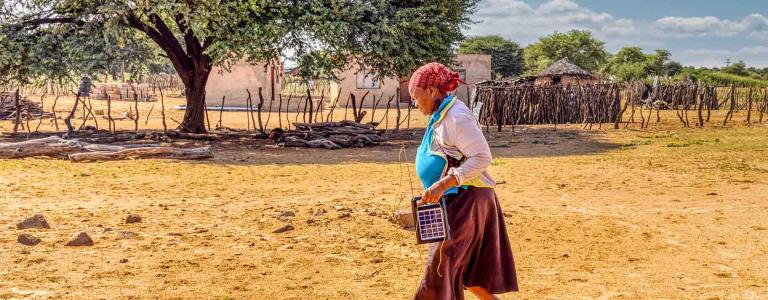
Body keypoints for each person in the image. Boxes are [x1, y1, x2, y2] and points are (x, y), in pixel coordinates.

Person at [409, 62, 518, 300]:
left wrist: (443, 184)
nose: (415, 104)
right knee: (468, 274)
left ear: (432, 90)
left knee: (438, 272)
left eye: (416, 97)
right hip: (453, 202)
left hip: (466, 201)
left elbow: (482, 157)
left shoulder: (456, 117)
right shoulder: (441, 114)